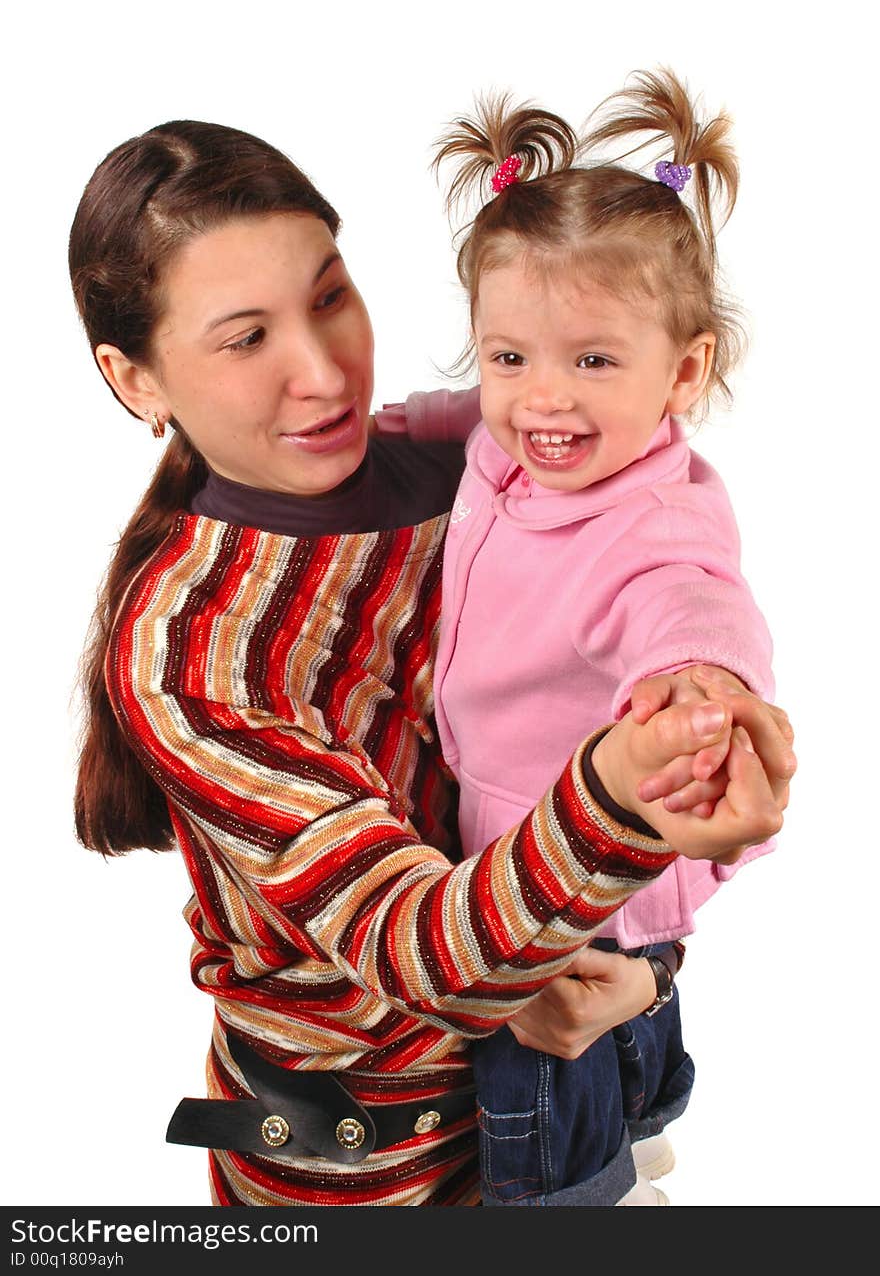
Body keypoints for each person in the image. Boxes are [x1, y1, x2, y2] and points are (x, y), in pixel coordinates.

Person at [70, 117, 792, 1207]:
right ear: (136, 381)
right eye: (244, 338)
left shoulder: (474, 457)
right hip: (369, 1168)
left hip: (571, 1080)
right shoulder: (190, 656)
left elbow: (669, 569)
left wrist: (641, 969)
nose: (320, 374)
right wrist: (619, 792)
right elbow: (427, 950)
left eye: (327, 296)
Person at [375, 69, 789, 1206]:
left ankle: (598, 1189)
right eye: (508, 356)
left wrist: (695, 682)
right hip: (537, 865)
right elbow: (452, 422)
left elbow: (693, 601)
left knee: (545, 1141)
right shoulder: (512, 444)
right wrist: (367, 434)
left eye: (593, 361)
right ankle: (641, 1135)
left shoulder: (654, 520)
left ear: (686, 370)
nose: (541, 398)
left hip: (567, 903)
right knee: (629, 1072)